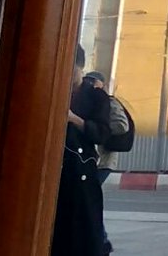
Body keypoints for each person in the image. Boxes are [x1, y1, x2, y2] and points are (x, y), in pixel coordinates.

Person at [51, 47, 112, 256]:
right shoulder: (56, 89)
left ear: (81, 67)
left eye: (73, 70)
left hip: (82, 171)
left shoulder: (96, 96)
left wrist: (73, 118)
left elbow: (102, 133)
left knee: (84, 229)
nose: (69, 76)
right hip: (56, 170)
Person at [85, 71, 127, 255]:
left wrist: (99, 130)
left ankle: (101, 241)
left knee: (89, 200)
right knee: (87, 200)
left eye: (92, 82)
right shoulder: (90, 101)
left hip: (104, 161)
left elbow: (122, 125)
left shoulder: (109, 102)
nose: (90, 85)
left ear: (100, 84)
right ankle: (99, 240)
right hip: (91, 160)